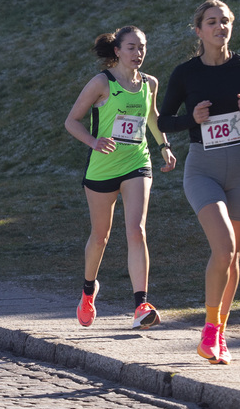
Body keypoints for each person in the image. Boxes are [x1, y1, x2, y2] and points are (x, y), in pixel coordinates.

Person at [157, 0, 240, 364]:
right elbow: (164, 120)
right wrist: (191, 120)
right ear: (198, 30)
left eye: (225, 21)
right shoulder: (186, 73)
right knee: (224, 248)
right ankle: (209, 333)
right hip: (203, 169)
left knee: (234, 256)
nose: (219, 27)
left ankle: (220, 335)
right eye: (211, 22)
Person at [64, 26, 176, 330]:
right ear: (117, 51)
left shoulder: (149, 83)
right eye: (131, 47)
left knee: (136, 230)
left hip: (137, 163)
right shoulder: (102, 82)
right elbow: (71, 121)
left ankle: (141, 304)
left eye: (142, 47)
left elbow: (151, 116)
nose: (138, 53)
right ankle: (88, 291)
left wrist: (164, 146)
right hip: (101, 168)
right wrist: (93, 142)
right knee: (100, 236)